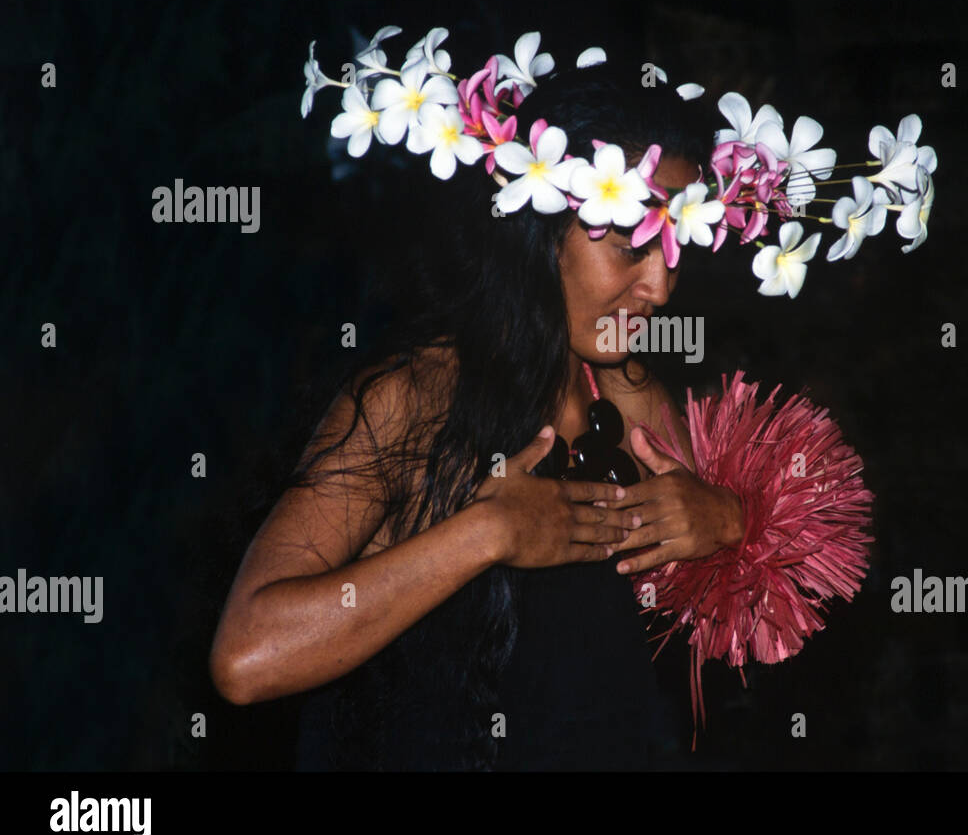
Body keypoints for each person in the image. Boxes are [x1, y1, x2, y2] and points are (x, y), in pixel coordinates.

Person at [209, 62, 748, 769]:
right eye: (631, 247)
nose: (659, 286)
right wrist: (485, 533)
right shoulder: (415, 395)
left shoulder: (630, 396)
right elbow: (246, 656)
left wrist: (727, 518)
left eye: (674, 250)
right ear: (542, 223)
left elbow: (751, 621)